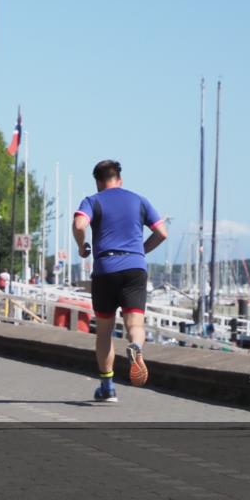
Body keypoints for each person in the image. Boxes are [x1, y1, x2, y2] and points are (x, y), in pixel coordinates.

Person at [73, 159, 166, 403]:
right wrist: (140, 251)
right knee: (135, 324)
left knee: (104, 331)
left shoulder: (93, 200)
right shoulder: (139, 200)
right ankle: (136, 346)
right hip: (134, 268)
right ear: (120, 179)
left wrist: (82, 246)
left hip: (105, 268)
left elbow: (79, 224)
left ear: (98, 182)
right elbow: (162, 232)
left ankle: (108, 388)